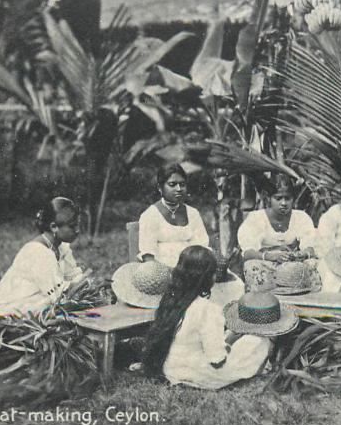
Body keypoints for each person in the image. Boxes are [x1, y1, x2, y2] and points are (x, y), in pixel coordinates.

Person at [141, 246, 272, 390]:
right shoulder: (208, 309)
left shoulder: (172, 300)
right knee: (259, 340)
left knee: (227, 335)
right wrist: (232, 340)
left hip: (171, 368)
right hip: (198, 373)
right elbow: (217, 360)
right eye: (213, 273)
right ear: (207, 277)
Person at [0, 197, 88, 316]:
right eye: (72, 226)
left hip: (39, 297)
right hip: (16, 306)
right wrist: (78, 282)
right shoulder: (39, 253)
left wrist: (79, 281)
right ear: (54, 227)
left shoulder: (61, 247)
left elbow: (71, 275)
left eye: (77, 225)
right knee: (64, 308)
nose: (77, 230)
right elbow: (60, 295)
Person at [237, 174, 319, 292]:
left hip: (292, 265)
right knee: (252, 266)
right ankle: (262, 302)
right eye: (278, 198)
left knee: (312, 264)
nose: (284, 203)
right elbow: (247, 253)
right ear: (268, 198)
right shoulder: (256, 218)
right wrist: (270, 256)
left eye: (288, 198)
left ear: (293, 199)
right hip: (265, 263)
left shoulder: (301, 217)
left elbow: (310, 248)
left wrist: (302, 254)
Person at [136, 164, 210, 267]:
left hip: (192, 270)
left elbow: (202, 246)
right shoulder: (150, 215)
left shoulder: (193, 213)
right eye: (172, 184)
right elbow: (148, 257)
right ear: (160, 188)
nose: (179, 189)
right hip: (161, 271)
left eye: (182, 184)